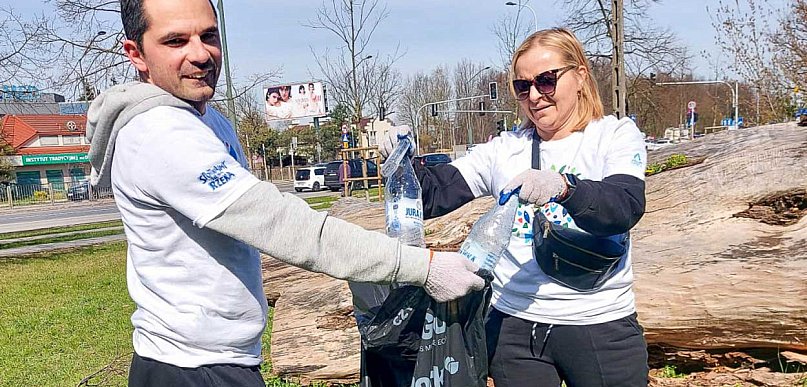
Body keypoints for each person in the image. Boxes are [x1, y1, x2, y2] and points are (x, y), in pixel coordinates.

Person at [86, 0, 485, 385]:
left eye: (208, 36)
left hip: (215, 361)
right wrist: (423, 267)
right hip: (191, 367)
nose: (201, 54)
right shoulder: (159, 133)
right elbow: (283, 225)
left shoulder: (206, 119)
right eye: (176, 41)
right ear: (136, 54)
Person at [380, 28, 649, 387]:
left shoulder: (613, 135)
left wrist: (564, 187)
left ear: (581, 76)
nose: (535, 96)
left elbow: (623, 207)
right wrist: (401, 160)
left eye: (546, 81)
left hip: (601, 324)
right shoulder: (505, 149)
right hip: (514, 329)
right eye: (523, 87)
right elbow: (432, 195)